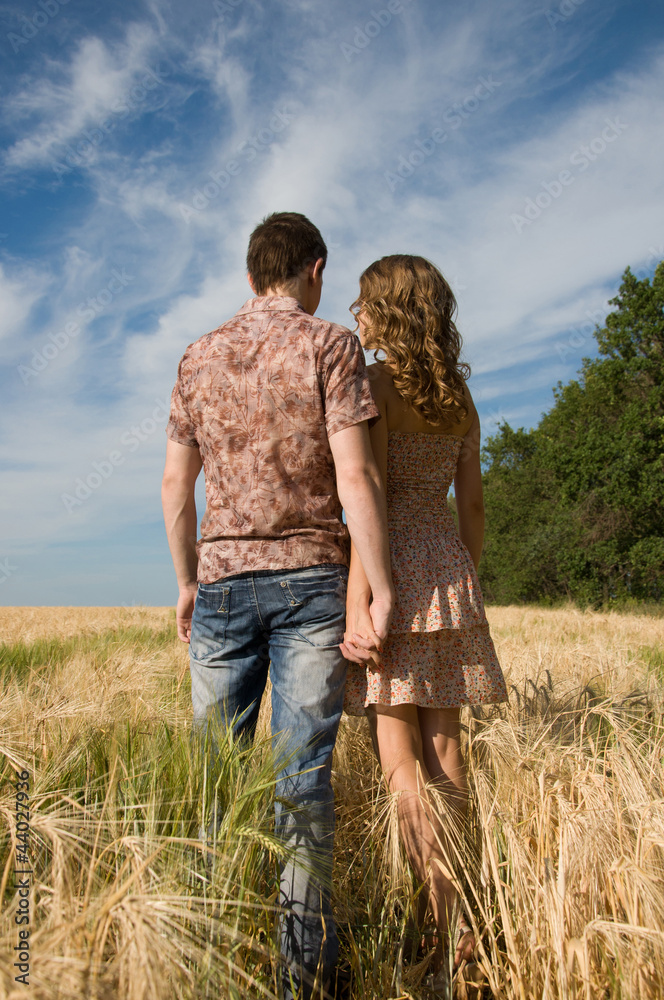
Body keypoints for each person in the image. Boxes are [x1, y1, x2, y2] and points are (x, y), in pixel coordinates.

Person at [161, 212, 394, 1000]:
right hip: (312, 585)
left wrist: (188, 582)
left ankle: (199, 949)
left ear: (252, 272)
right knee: (302, 779)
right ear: (314, 268)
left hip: (222, 583)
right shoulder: (331, 345)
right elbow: (357, 477)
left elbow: (173, 487)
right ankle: (304, 976)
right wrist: (383, 585)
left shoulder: (197, 357)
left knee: (212, 778)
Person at [341, 254, 507, 995]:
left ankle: (436, 923)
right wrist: (463, 580)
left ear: (392, 311)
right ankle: (467, 914)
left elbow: (368, 495)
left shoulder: (376, 385)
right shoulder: (460, 395)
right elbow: (471, 506)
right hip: (447, 566)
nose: (356, 312)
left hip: (392, 571)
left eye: (366, 302)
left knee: (400, 760)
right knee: (450, 755)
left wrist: (361, 600)